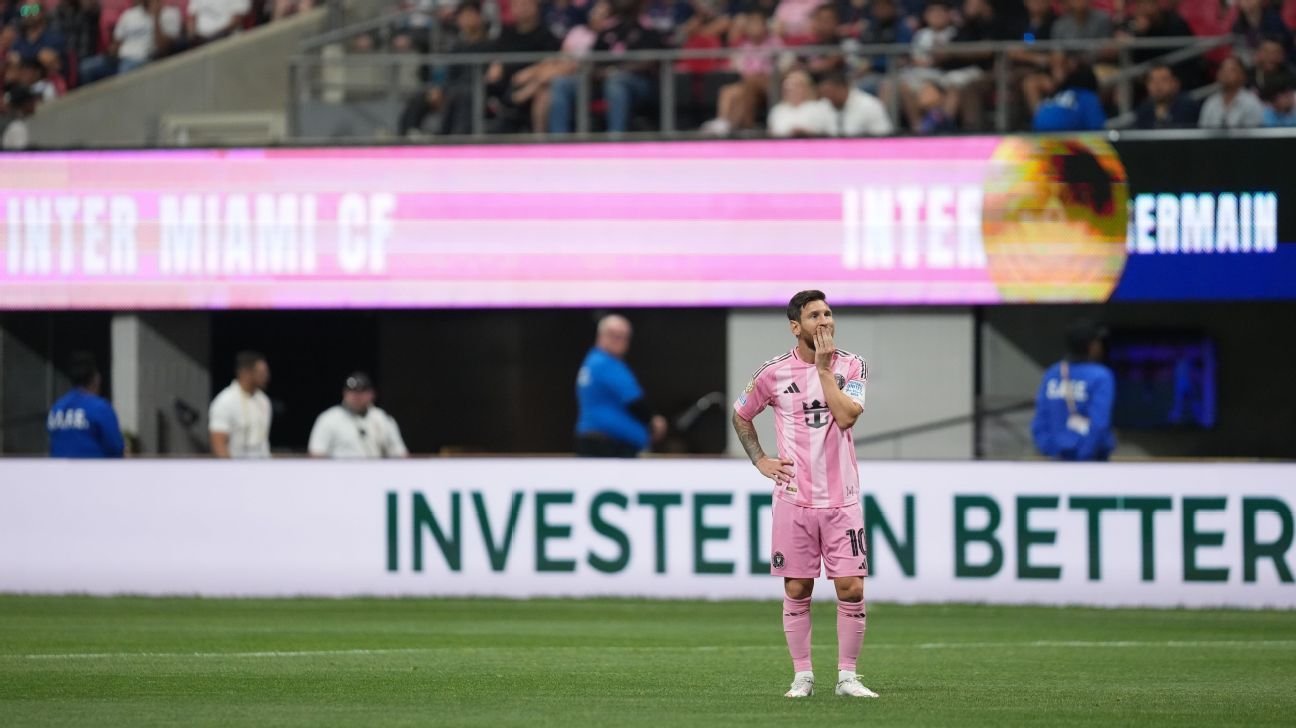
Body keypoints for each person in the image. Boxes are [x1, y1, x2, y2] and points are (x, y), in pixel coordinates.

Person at [731, 290, 874, 700]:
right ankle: (803, 676)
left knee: (852, 588)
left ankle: (848, 677)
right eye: (814, 316)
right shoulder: (773, 373)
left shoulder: (852, 365)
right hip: (794, 500)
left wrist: (824, 371)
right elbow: (741, 414)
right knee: (797, 589)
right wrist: (760, 459)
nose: (825, 321)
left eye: (828, 313)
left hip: (842, 499)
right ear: (796, 327)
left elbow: (846, 417)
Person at [575, 314, 667, 457]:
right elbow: (634, 402)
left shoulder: (592, 361)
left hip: (598, 439)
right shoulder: (606, 363)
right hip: (608, 444)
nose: (618, 340)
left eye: (623, 336)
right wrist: (653, 422)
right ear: (600, 336)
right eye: (612, 335)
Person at [1031, 320, 1115, 462]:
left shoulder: (1053, 373)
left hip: (1056, 458)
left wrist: (1052, 451)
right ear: (1092, 345)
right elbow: (1099, 423)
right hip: (1091, 460)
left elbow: (1040, 421)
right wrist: (1084, 456)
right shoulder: (1100, 376)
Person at [308, 373, 409, 458]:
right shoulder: (328, 418)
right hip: (340, 473)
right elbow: (317, 454)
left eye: (362, 391)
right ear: (344, 393)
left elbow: (400, 454)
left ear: (372, 394)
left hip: (375, 473)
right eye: (352, 391)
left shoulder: (382, 418)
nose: (357, 396)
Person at [47, 351, 125, 459]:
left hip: (59, 469)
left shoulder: (56, 409)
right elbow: (116, 448)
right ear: (96, 378)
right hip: (93, 469)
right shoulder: (100, 408)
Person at [209, 350, 272, 459]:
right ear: (246, 373)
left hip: (262, 466)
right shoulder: (225, 401)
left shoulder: (264, 401)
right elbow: (219, 444)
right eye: (261, 372)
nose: (266, 376)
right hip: (237, 466)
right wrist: (230, 468)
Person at [1031, 61, 1106, 131]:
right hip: (1061, 136)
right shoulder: (1088, 97)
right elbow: (1097, 127)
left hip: (1037, 134)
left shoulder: (1056, 95)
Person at [816, 71, 891, 136]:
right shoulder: (823, 104)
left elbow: (883, 135)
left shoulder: (870, 105)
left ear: (843, 88)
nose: (828, 96)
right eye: (824, 93)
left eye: (830, 92)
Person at [1199, 56, 1265, 129]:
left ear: (1242, 75)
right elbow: (1202, 131)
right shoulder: (1211, 102)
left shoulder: (1251, 103)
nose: (1226, 73)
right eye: (1223, 69)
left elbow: (1254, 133)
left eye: (1232, 70)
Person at [767, 69, 833, 137]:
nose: (791, 90)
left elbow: (832, 132)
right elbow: (771, 134)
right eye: (787, 87)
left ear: (806, 87)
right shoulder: (777, 110)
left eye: (796, 86)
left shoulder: (821, 107)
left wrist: (807, 133)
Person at [1133, 64, 1198, 129]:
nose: (1157, 85)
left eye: (1163, 80)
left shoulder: (1187, 106)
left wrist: (1164, 117)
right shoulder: (1143, 109)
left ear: (1175, 83)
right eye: (1152, 80)